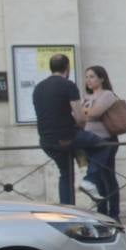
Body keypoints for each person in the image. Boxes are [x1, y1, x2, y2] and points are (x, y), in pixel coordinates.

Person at [32, 53, 86, 205]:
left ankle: (67, 211)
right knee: (102, 144)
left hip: (46, 141)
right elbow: (80, 117)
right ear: (67, 68)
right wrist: (81, 128)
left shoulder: (39, 87)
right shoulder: (68, 85)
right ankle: (90, 179)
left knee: (66, 174)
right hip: (65, 137)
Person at [79, 65, 122, 221]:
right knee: (99, 178)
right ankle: (102, 212)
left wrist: (83, 113)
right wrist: (85, 114)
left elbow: (94, 113)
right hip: (90, 141)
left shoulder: (107, 94)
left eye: (92, 76)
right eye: (87, 77)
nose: (88, 80)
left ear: (101, 78)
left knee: (107, 177)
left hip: (106, 141)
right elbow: (81, 117)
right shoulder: (86, 96)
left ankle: (114, 214)